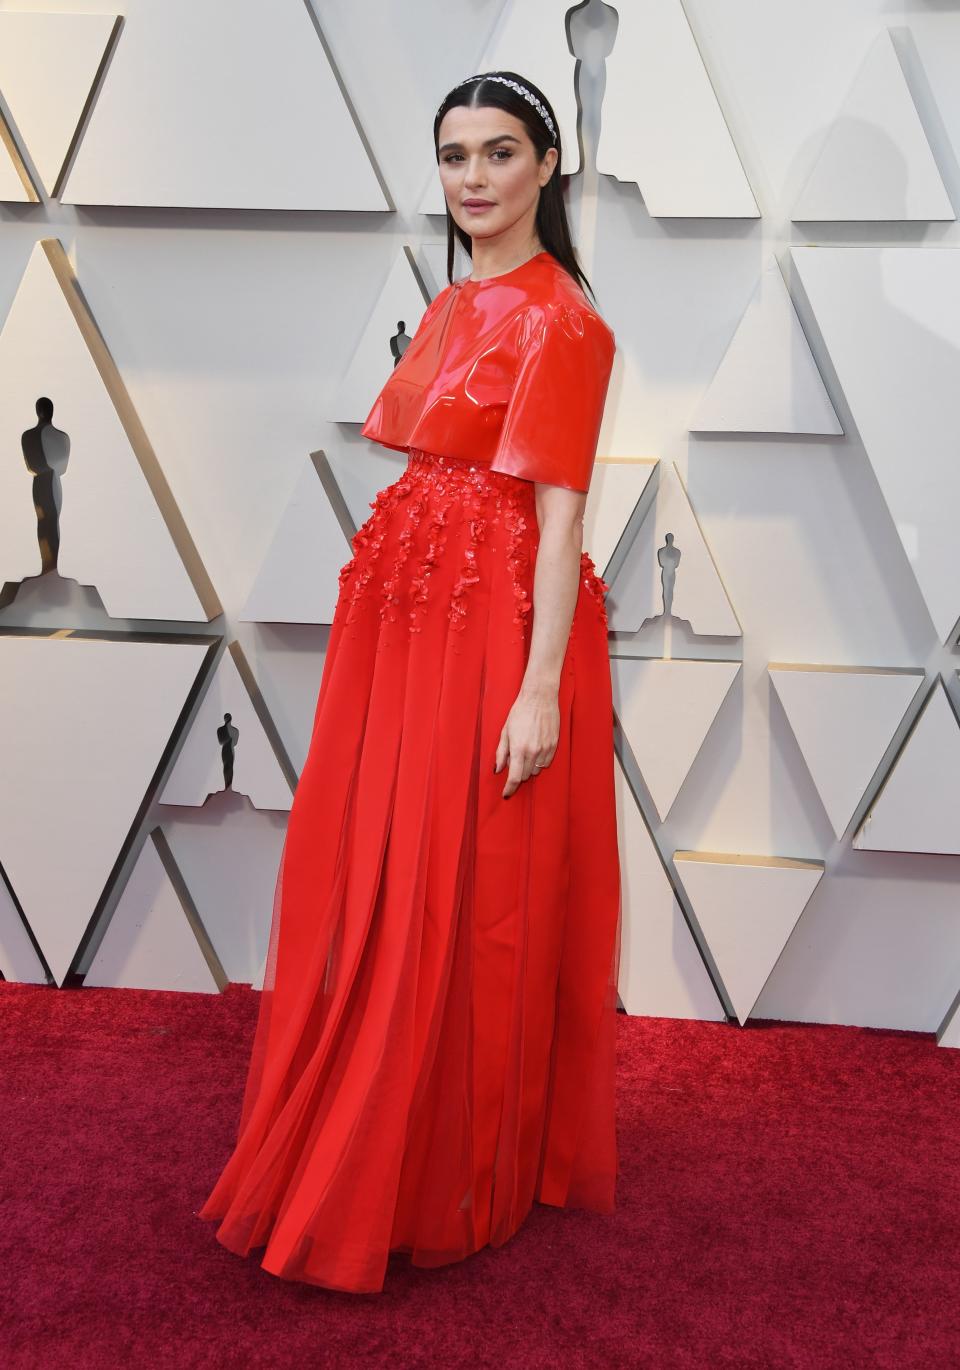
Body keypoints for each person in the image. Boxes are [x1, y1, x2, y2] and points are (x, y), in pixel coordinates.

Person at [198, 69, 622, 1296]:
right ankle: (387, 1113)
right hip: (411, 605)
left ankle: (453, 1161)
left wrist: (539, 684)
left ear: (548, 164)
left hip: (497, 614)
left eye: (499, 153)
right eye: (454, 156)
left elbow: (558, 512)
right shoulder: (458, 301)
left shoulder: (561, 321)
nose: (475, 178)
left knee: (468, 875)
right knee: (392, 862)